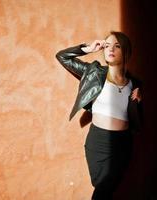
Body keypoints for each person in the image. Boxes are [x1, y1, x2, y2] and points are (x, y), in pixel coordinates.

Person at [55, 31, 143, 200]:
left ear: (126, 52)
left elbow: (137, 121)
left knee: (105, 189)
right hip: (98, 142)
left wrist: (138, 100)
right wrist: (87, 49)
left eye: (117, 46)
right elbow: (62, 57)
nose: (111, 49)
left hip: (122, 143)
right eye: (107, 45)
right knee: (103, 188)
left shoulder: (134, 84)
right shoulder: (94, 71)